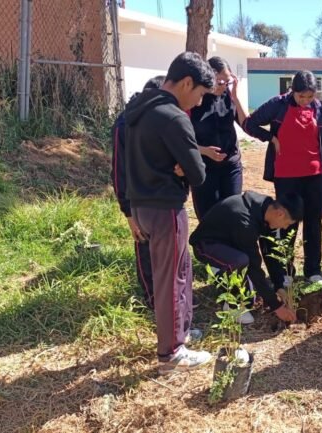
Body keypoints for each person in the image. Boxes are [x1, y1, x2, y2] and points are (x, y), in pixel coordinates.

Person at [124, 52, 215, 375]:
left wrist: (128, 210)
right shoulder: (174, 117)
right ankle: (172, 353)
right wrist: (184, 168)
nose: (199, 102)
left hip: (141, 206)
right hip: (166, 209)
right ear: (187, 83)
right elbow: (199, 173)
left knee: (170, 276)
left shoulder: (135, 111)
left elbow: (123, 164)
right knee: (172, 278)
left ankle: (177, 335)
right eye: (200, 94)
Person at [243, 70, 322, 288]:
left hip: (315, 175)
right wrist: (270, 137)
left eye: (309, 97)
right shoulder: (278, 105)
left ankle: (313, 270)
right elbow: (250, 123)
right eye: (300, 96)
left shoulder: (319, 108)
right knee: (287, 223)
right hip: (286, 176)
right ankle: (286, 271)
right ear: (292, 92)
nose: (305, 101)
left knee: (314, 222)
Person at [189, 191, 303, 325]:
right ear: (280, 214)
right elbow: (254, 265)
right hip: (206, 246)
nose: (285, 227)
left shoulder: (265, 208)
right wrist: (276, 306)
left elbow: (269, 250)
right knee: (240, 261)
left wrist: (279, 285)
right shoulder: (245, 221)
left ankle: (228, 273)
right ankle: (231, 303)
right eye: (287, 223)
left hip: (233, 244)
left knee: (250, 299)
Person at [111, 75, 165, 311]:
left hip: (164, 199)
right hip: (139, 201)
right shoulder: (126, 125)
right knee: (145, 249)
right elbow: (118, 172)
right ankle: (153, 299)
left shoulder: (160, 121)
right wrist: (128, 214)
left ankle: (169, 299)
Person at [188, 56, 247, 220]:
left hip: (231, 166)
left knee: (233, 214)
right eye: (219, 82)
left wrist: (235, 96)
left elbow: (247, 124)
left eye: (226, 82)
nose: (222, 86)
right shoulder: (195, 99)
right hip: (204, 167)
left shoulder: (229, 96)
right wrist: (204, 151)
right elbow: (181, 138)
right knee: (208, 218)